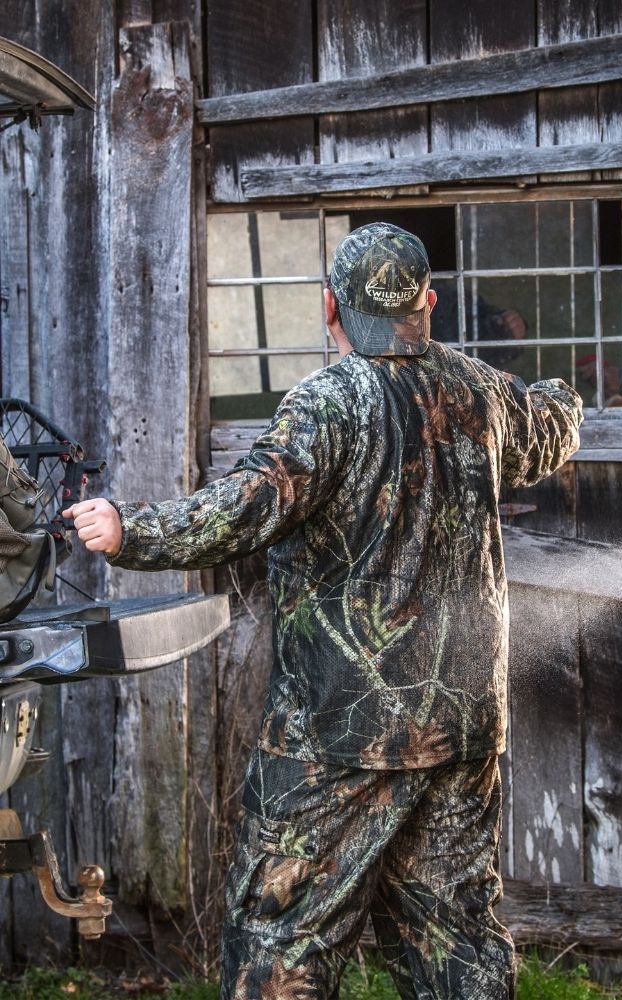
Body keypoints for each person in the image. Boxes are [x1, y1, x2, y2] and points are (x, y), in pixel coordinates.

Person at [64, 222, 583, 999]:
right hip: (462, 726)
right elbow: (550, 427)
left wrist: (129, 527)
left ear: (330, 310)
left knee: (282, 943)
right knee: (458, 941)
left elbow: (243, 509)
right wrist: (563, 395)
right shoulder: (482, 392)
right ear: (428, 303)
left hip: (337, 739)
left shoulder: (328, 403)